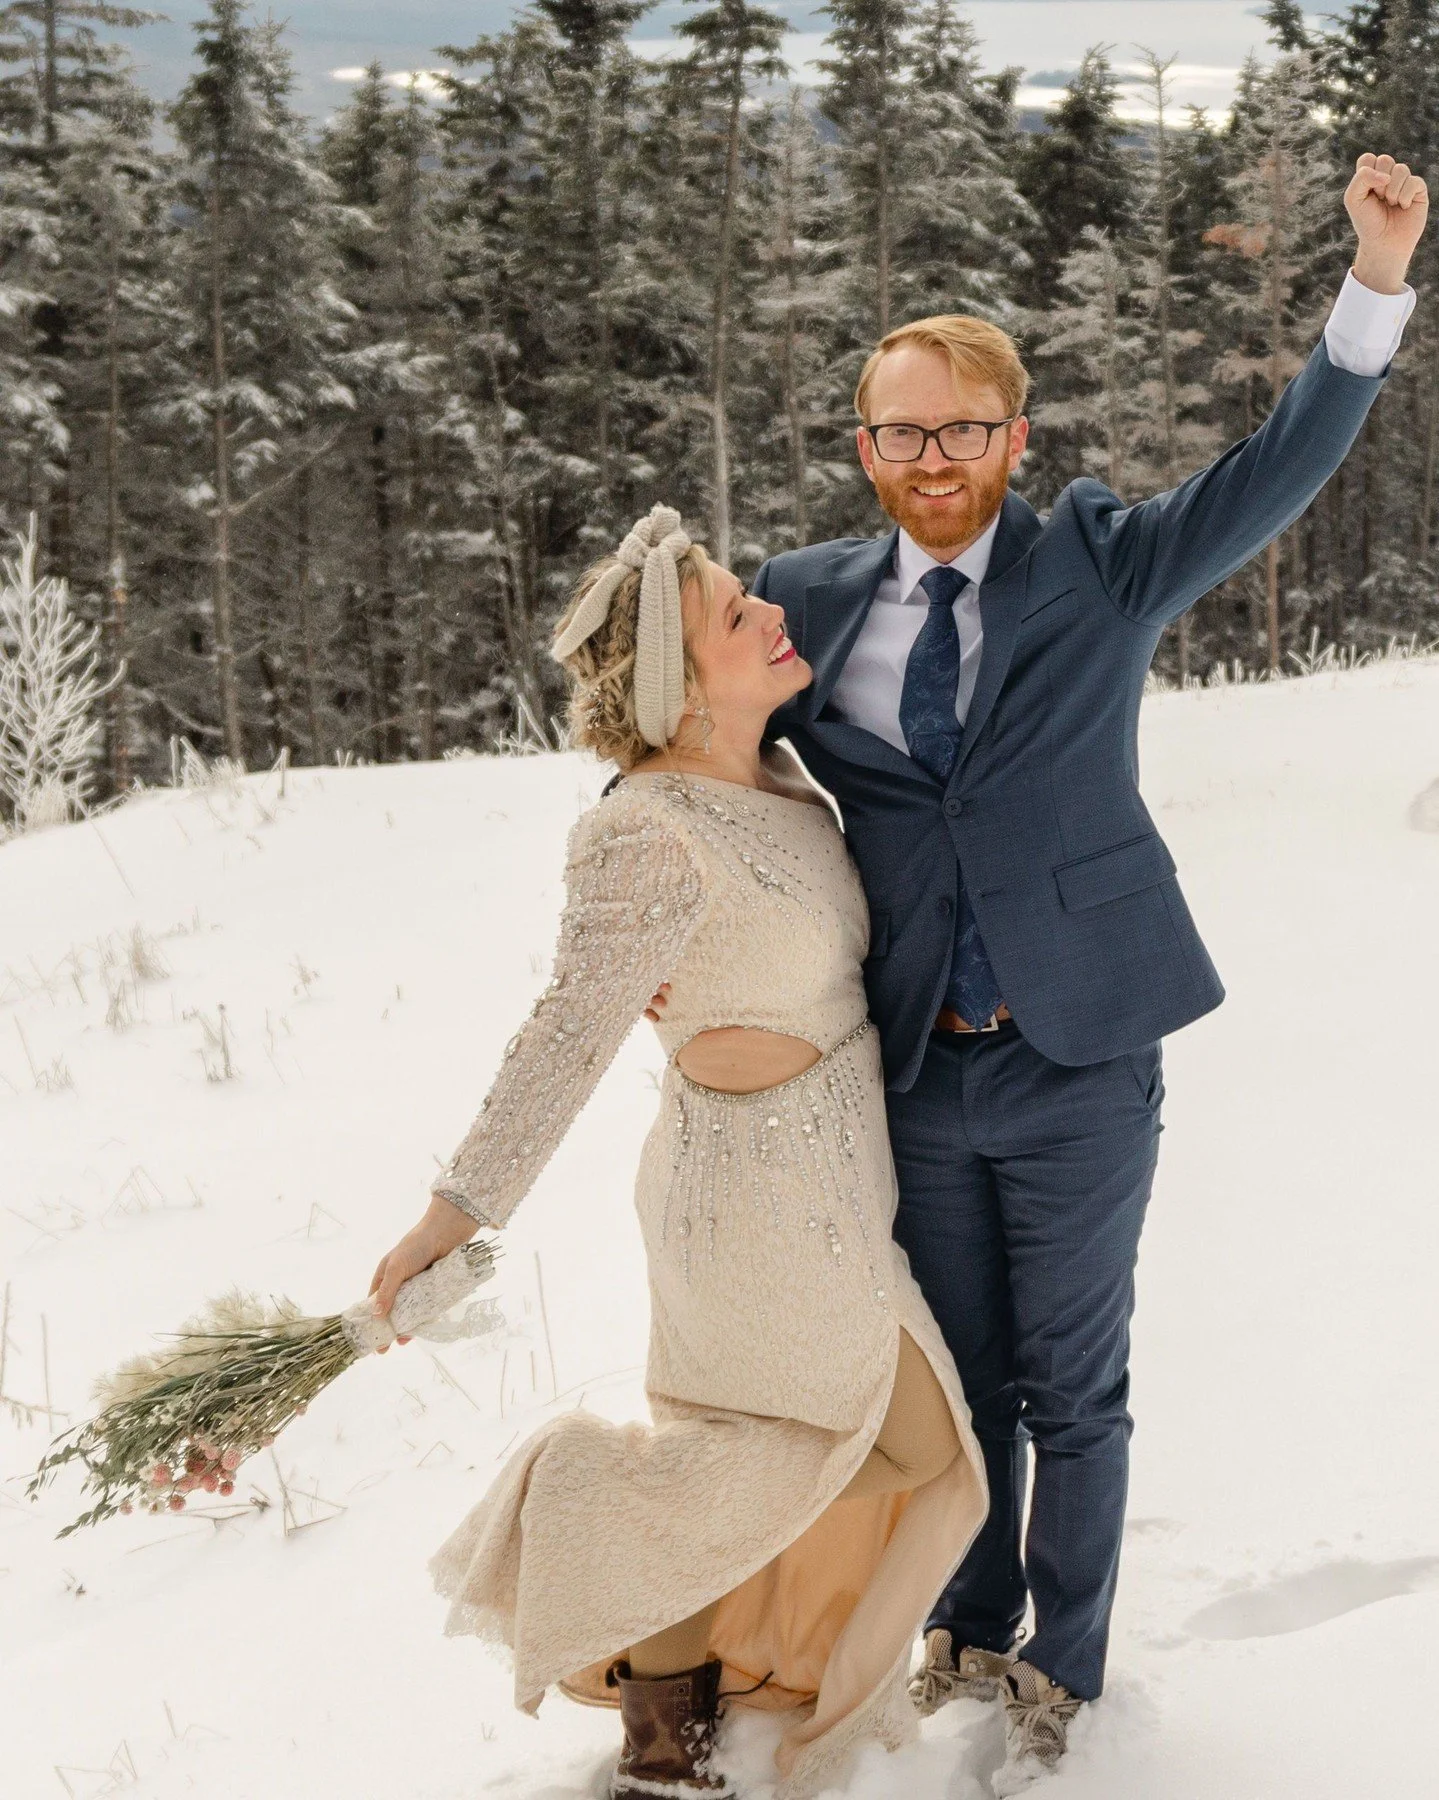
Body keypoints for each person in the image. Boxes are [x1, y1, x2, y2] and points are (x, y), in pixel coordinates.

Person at [693, 150, 1424, 1791]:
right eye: (901, 429)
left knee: (1071, 1382)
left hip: (1081, 1050)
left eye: (962, 428)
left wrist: (1370, 286)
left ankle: (1060, 1663)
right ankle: (963, 1622)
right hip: (909, 1062)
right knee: (961, 1382)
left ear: (1015, 440)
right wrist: (656, 906)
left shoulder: (1096, 559)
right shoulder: (800, 600)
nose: (931, 456)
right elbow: (690, 747)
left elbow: (1274, 467)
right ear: (862, 444)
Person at [368, 506, 990, 1800]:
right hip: (749, 1206)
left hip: (834, 1194)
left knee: (876, 1462)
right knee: (902, 1460)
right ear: (678, 679)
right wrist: (450, 1217)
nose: (773, 614)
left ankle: (680, 1706)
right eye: (734, 613)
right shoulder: (641, 832)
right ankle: (602, 1541)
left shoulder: (776, 781)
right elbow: (566, 1036)